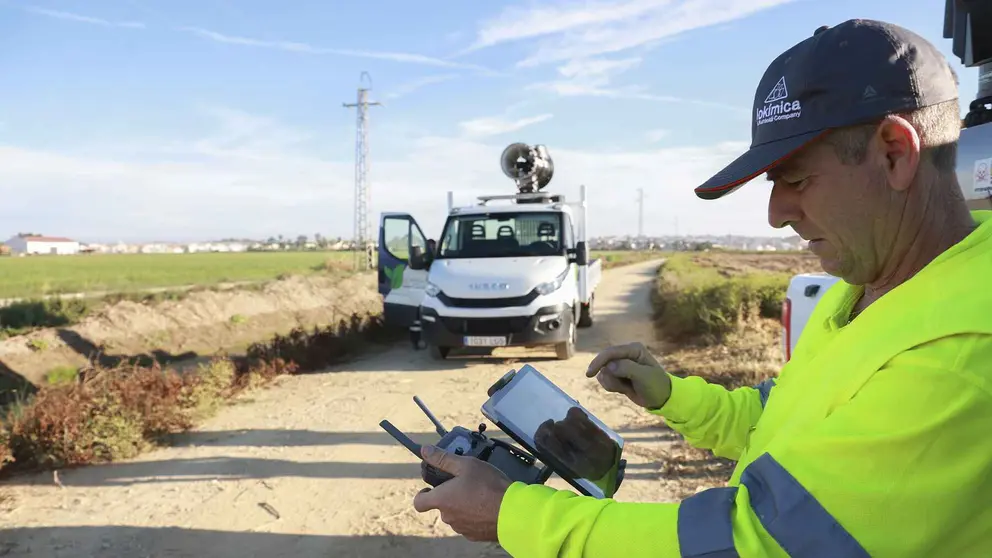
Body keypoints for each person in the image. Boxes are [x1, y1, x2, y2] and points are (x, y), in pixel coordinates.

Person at [411, 18, 992, 556]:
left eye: (795, 178)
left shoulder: (961, 350)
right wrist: (669, 395)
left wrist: (513, 514)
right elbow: (783, 421)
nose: (775, 213)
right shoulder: (878, 285)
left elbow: (755, 541)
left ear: (895, 154)